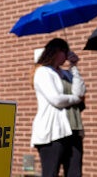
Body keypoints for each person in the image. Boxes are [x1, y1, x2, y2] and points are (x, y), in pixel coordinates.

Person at [30, 38, 85, 177]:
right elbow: (56, 99)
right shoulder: (43, 72)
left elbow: (80, 92)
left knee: (75, 173)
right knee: (51, 173)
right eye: (65, 51)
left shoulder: (66, 73)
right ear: (55, 51)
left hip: (73, 128)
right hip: (53, 131)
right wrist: (75, 99)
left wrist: (74, 67)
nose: (67, 55)